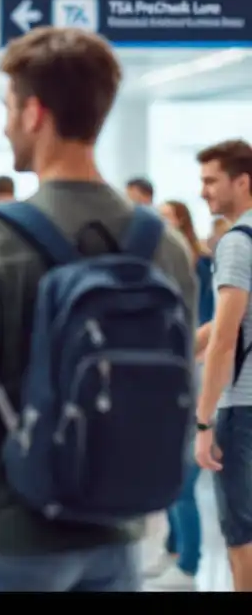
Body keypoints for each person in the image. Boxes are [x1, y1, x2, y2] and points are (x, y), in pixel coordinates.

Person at [0, 27, 197, 592]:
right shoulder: (163, 244)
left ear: (34, 113)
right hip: (119, 525)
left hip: (13, 522)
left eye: (8, 108)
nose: (4, 125)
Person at [192, 138, 252, 591]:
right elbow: (226, 322)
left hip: (243, 407)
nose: (204, 191)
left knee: (241, 537)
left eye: (211, 181)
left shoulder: (236, 243)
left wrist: (203, 420)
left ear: (242, 181)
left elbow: (227, 337)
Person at [144, 199, 213, 589]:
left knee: (184, 477)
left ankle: (189, 562)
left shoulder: (200, 265)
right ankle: (173, 552)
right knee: (168, 471)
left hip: (198, 375)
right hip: (170, 376)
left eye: (168, 219)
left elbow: (209, 324)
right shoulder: (162, 265)